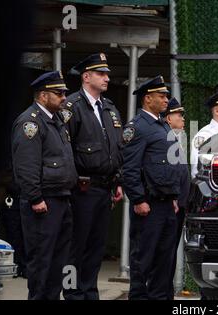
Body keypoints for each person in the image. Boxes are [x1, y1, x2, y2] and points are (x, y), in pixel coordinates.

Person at [61, 53, 124, 300]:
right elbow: (65, 150)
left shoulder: (109, 108)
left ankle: (89, 292)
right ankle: (73, 293)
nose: (107, 78)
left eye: (107, 74)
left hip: (104, 188)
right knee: (76, 247)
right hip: (82, 189)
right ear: (86, 77)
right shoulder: (72, 107)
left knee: (96, 247)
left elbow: (116, 149)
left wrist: (117, 181)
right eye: (101, 73)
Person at [11, 71, 77, 300]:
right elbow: (26, 166)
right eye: (58, 93)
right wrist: (35, 198)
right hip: (43, 203)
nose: (63, 97)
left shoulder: (57, 121)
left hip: (60, 198)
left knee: (58, 263)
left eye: (65, 93)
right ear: (42, 95)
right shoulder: (31, 122)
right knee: (41, 264)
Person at [122, 76, 180, 300]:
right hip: (148, 205)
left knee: (164, 262)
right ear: (148, 99)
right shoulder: (138, 127)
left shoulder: (161, 124)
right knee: (143, 261)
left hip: (166, 204)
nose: (167, 99)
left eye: (166, 95)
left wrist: (173, 196)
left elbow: (168, 165)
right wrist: (138, 199)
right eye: (162, 96)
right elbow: (130, 167)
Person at [162, 97, 190, 299]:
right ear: (168, 118)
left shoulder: (177, 137)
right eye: (179, 115)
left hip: (179, 202)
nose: (183, 118)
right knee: (163, 252)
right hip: (170, 202)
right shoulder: (164, 138)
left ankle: (166, 292)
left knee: (170, 252)